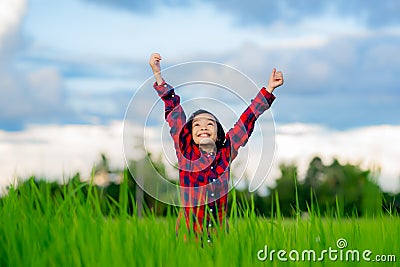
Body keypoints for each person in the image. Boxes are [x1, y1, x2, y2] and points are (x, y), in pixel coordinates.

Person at [149, 53, 284, 240]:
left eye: (209, 123)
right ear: (190, 135)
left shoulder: (226, 152)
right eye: (197, 124)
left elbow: (247, 120)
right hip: (189, 238)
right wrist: (158, 76)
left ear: (218, 133)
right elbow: (174, 112)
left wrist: (269, 89)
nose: (203, 126)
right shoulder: (185, 152)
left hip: (219, 237)